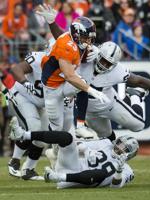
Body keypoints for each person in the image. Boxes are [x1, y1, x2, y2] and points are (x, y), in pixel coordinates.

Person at [36, 5, 109, 134]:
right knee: (56, 129)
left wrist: (96, 50)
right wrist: (91, 90)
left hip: (63, 83)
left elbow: (82, 53)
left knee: (81, 84)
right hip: (52, 89)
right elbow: (70, 76)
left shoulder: (76, 41)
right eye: (86, 37)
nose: (88, 41)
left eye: (90, 38)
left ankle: (80, 126)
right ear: (76, 34)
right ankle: (30, 137)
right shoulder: (67, 45)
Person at [9, 116, 139, 189]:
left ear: (130, 155)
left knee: (102, 173)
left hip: (75, 180)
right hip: (72, 164)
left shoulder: (127, 170)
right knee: (67, 138)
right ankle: (23, 135)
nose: (120, 149)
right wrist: (87, 150)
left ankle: (56, 176)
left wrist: (119, 171)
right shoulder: (106, 143)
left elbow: (115, 187)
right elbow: (80, 145)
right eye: (120, 144)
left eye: (125, 149)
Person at [7, 43, 74, 180]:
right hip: (23, 95)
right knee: (34, 127)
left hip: (41, 103)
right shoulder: (37, 59)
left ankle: (29, 169)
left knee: (43, 136)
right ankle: (15, 160)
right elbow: (16, 69)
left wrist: (68, 97)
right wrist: (26, 83)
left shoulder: (67, 66)